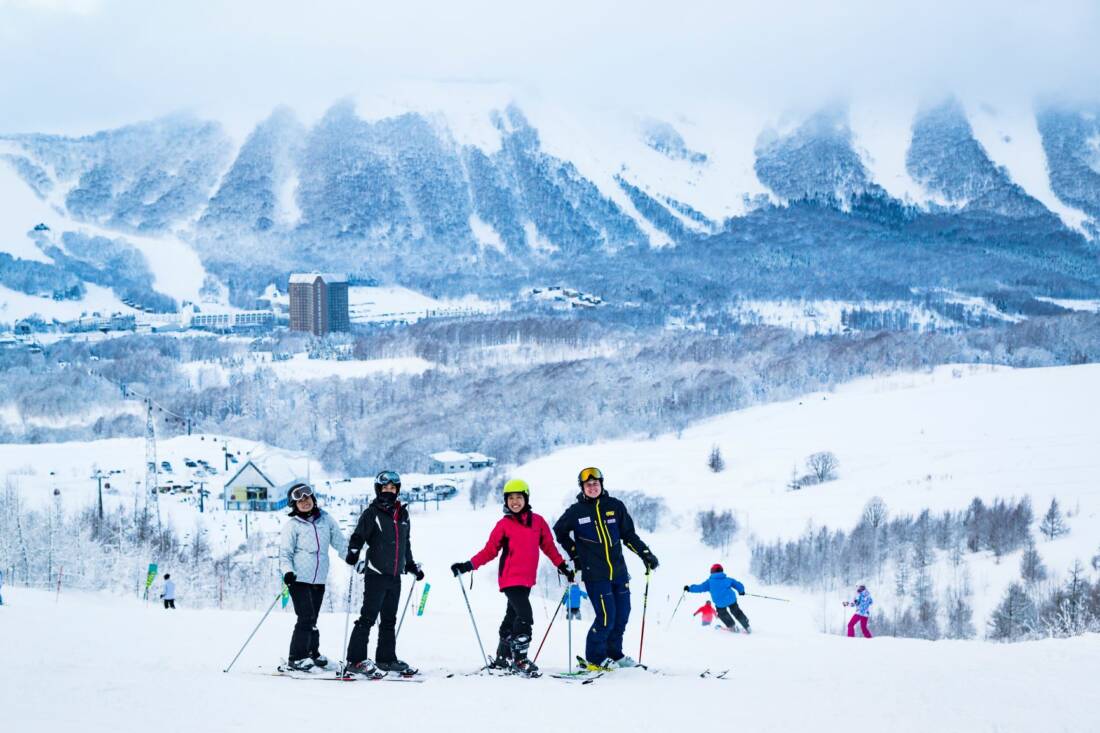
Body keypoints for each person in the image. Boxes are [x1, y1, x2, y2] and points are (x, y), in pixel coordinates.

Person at [451, 479, 573, 678]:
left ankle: (503, 656)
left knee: (512, 617)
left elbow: (549, 547)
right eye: (510, 498)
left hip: (527, 580)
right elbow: (489, 551)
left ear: (526, 498)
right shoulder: (504, 525)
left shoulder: (538, 522)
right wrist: (468, 565)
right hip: (509, 579)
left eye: (519, 497)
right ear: (505, 501)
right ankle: (519, 659)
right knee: (525, 616)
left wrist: (562, 566)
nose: (515, 502)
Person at [553, 466, 659, 670]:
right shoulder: (576, 512)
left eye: (595, 483)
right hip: (595, 575)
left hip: (619, 572)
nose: (592, 487)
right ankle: (594, 657)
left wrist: (645, 554)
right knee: (606, 617)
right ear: (582, 488)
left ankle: (614, 653)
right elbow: (559, 531)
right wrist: (575, 554)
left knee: (622, 615)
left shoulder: (615, 506)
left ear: (601, 485)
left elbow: (628, 535)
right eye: (588, 485)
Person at [344, 470, 424, 677]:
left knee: (389, 620)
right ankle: (355, 660)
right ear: (378, 490)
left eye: (392, 488)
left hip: (395, 575)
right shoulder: (371, 513)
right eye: (384, 488)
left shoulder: (402, 514)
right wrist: (353, 551)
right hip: (376, 573)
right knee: (368, 618)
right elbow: (358, 535)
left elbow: (405, 543)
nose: (388, 491)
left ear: (397, 490)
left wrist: (411, 565)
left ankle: (386, 659)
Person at [279, 481, 348, 672]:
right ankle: (296, 657)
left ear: (313, 499)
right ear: (294, 506)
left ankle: (312, 653)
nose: (305, 502)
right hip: (298, 579)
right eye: (300, 501)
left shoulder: (326, 520)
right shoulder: (292, 526)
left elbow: (340, 544)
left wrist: (354, 559)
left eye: (307, 498)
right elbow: (285, 553)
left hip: (319, 579)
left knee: (313, 618)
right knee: (306, 617)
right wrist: (287, 572)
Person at [684, 563, 750, 633]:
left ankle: (732, 626)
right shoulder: (727, 579)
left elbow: (700, 588)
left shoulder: (709, 582)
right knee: (736, 612)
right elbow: (737, 584)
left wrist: (689, 589)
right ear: (721, 571)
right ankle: (746, 626)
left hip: (720, 602)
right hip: (731, 599)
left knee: (722, 614)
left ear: (712, 572)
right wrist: (741, 591)